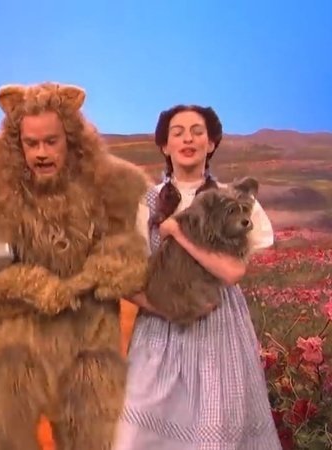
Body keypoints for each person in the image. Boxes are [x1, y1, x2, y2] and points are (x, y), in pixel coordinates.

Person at [0, 82, 151, 449]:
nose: (41, 153)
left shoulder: (115, 184)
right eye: (31, 144)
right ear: (17, 144)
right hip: (14, 348)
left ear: (71, 139)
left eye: (51, 142)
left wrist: (107, 266)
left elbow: (141, 253)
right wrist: (11, 274)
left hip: (89, 346)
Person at [113, 104, 281, 449]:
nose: (188, 139)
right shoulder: (145, 202)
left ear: (212, 142)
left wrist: (179, 232)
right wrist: (167, 307)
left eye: (197, 132)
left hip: (218, 325)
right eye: (177, 133)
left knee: (216, 427)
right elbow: (123, 278)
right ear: (165, 145)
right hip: (159, 329)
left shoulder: (234, 199)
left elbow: (232, 271)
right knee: (139, 431)